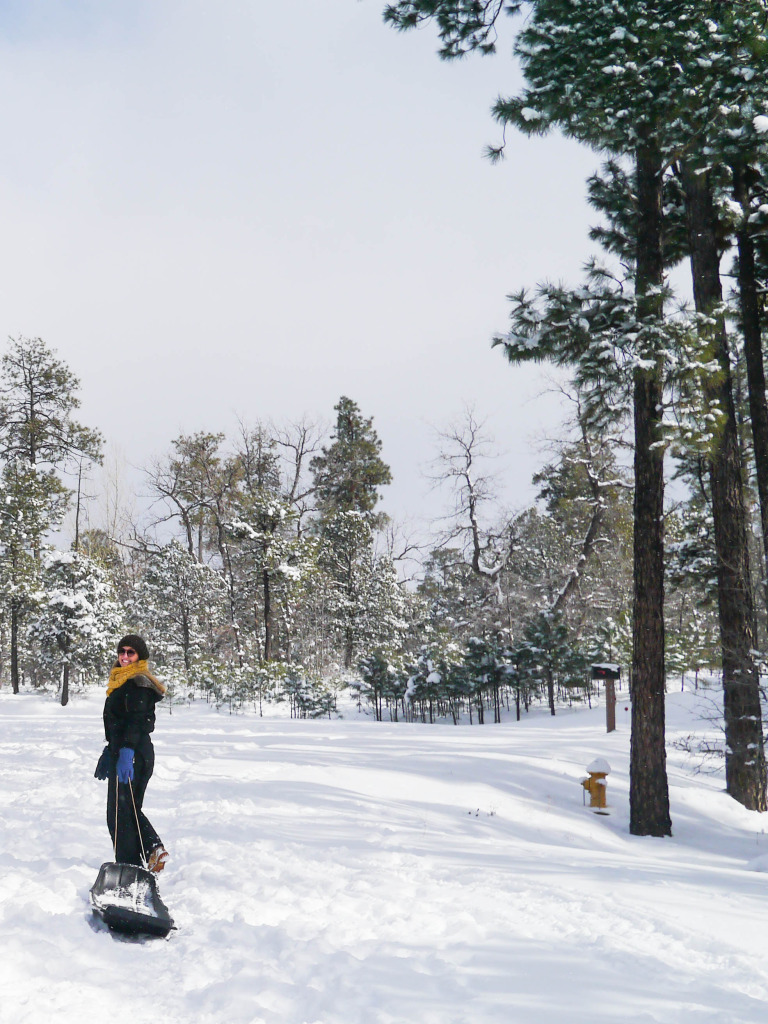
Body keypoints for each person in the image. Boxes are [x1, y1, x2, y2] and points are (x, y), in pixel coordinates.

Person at [97, 634, 169, 873]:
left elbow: (138, 721)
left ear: (140, 657)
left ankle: (131, 867)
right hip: (128, 751)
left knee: (119, 814)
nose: (125, 656)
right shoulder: (122, 681)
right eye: (122, 651)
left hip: (134, 754)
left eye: (131, 652)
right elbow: (121, 722)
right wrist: (110, 750)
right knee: (126, 810)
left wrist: (126, 750)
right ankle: (148, 853)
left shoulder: (137, 682)